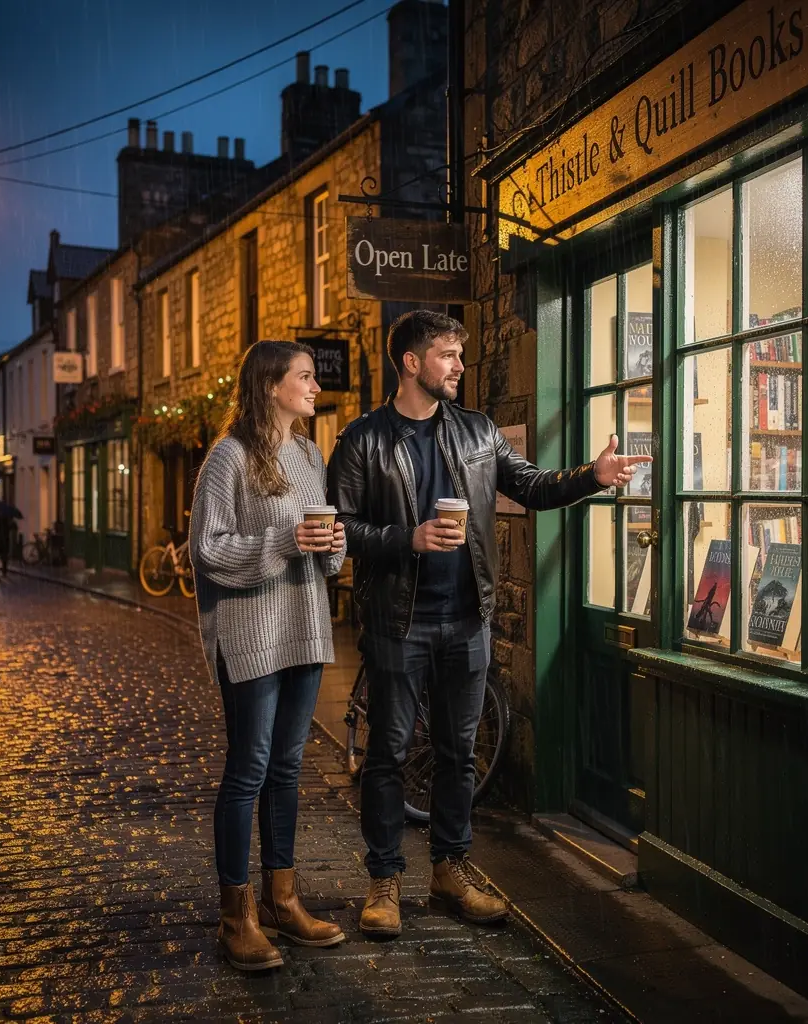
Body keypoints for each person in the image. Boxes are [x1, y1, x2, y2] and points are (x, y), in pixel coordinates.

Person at [327, 310, 652, 938]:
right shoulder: (362, 439)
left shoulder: (476, 432)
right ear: (411, 362)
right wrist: (409, 537)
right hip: (398, 624)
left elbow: (527, 485)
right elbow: (341, 531)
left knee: (458, 753)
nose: (459, 366)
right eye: (447, 355)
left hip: (466, 622)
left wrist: (592, 476)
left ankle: (450, 871)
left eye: (460, 355)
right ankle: (384, 880)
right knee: (390, 754)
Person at [189, 340, 347, 972]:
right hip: (251, 634)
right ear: (270, 386)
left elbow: (325, 547)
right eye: (304, 377)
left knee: (287, 768)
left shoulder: (310, 452)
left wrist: (332, 542)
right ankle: (237, 914)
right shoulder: (227, 458)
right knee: (248, 768)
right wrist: (285, 539)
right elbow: (208, 549)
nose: (314, 386)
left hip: (305, 628)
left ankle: (284, 900)